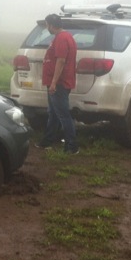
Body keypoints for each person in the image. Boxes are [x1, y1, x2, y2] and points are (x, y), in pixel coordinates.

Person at [36, 13, 79, 154]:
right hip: (56, 82)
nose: (47, 27)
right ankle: (47, 141)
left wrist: (54, 83)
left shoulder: (61, 38)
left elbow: (61, 60)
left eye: (47, 25)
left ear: (51, 25)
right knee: (53, 113)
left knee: (63, 115)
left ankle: (72, 147)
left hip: (59, 83)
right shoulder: (65, 37)